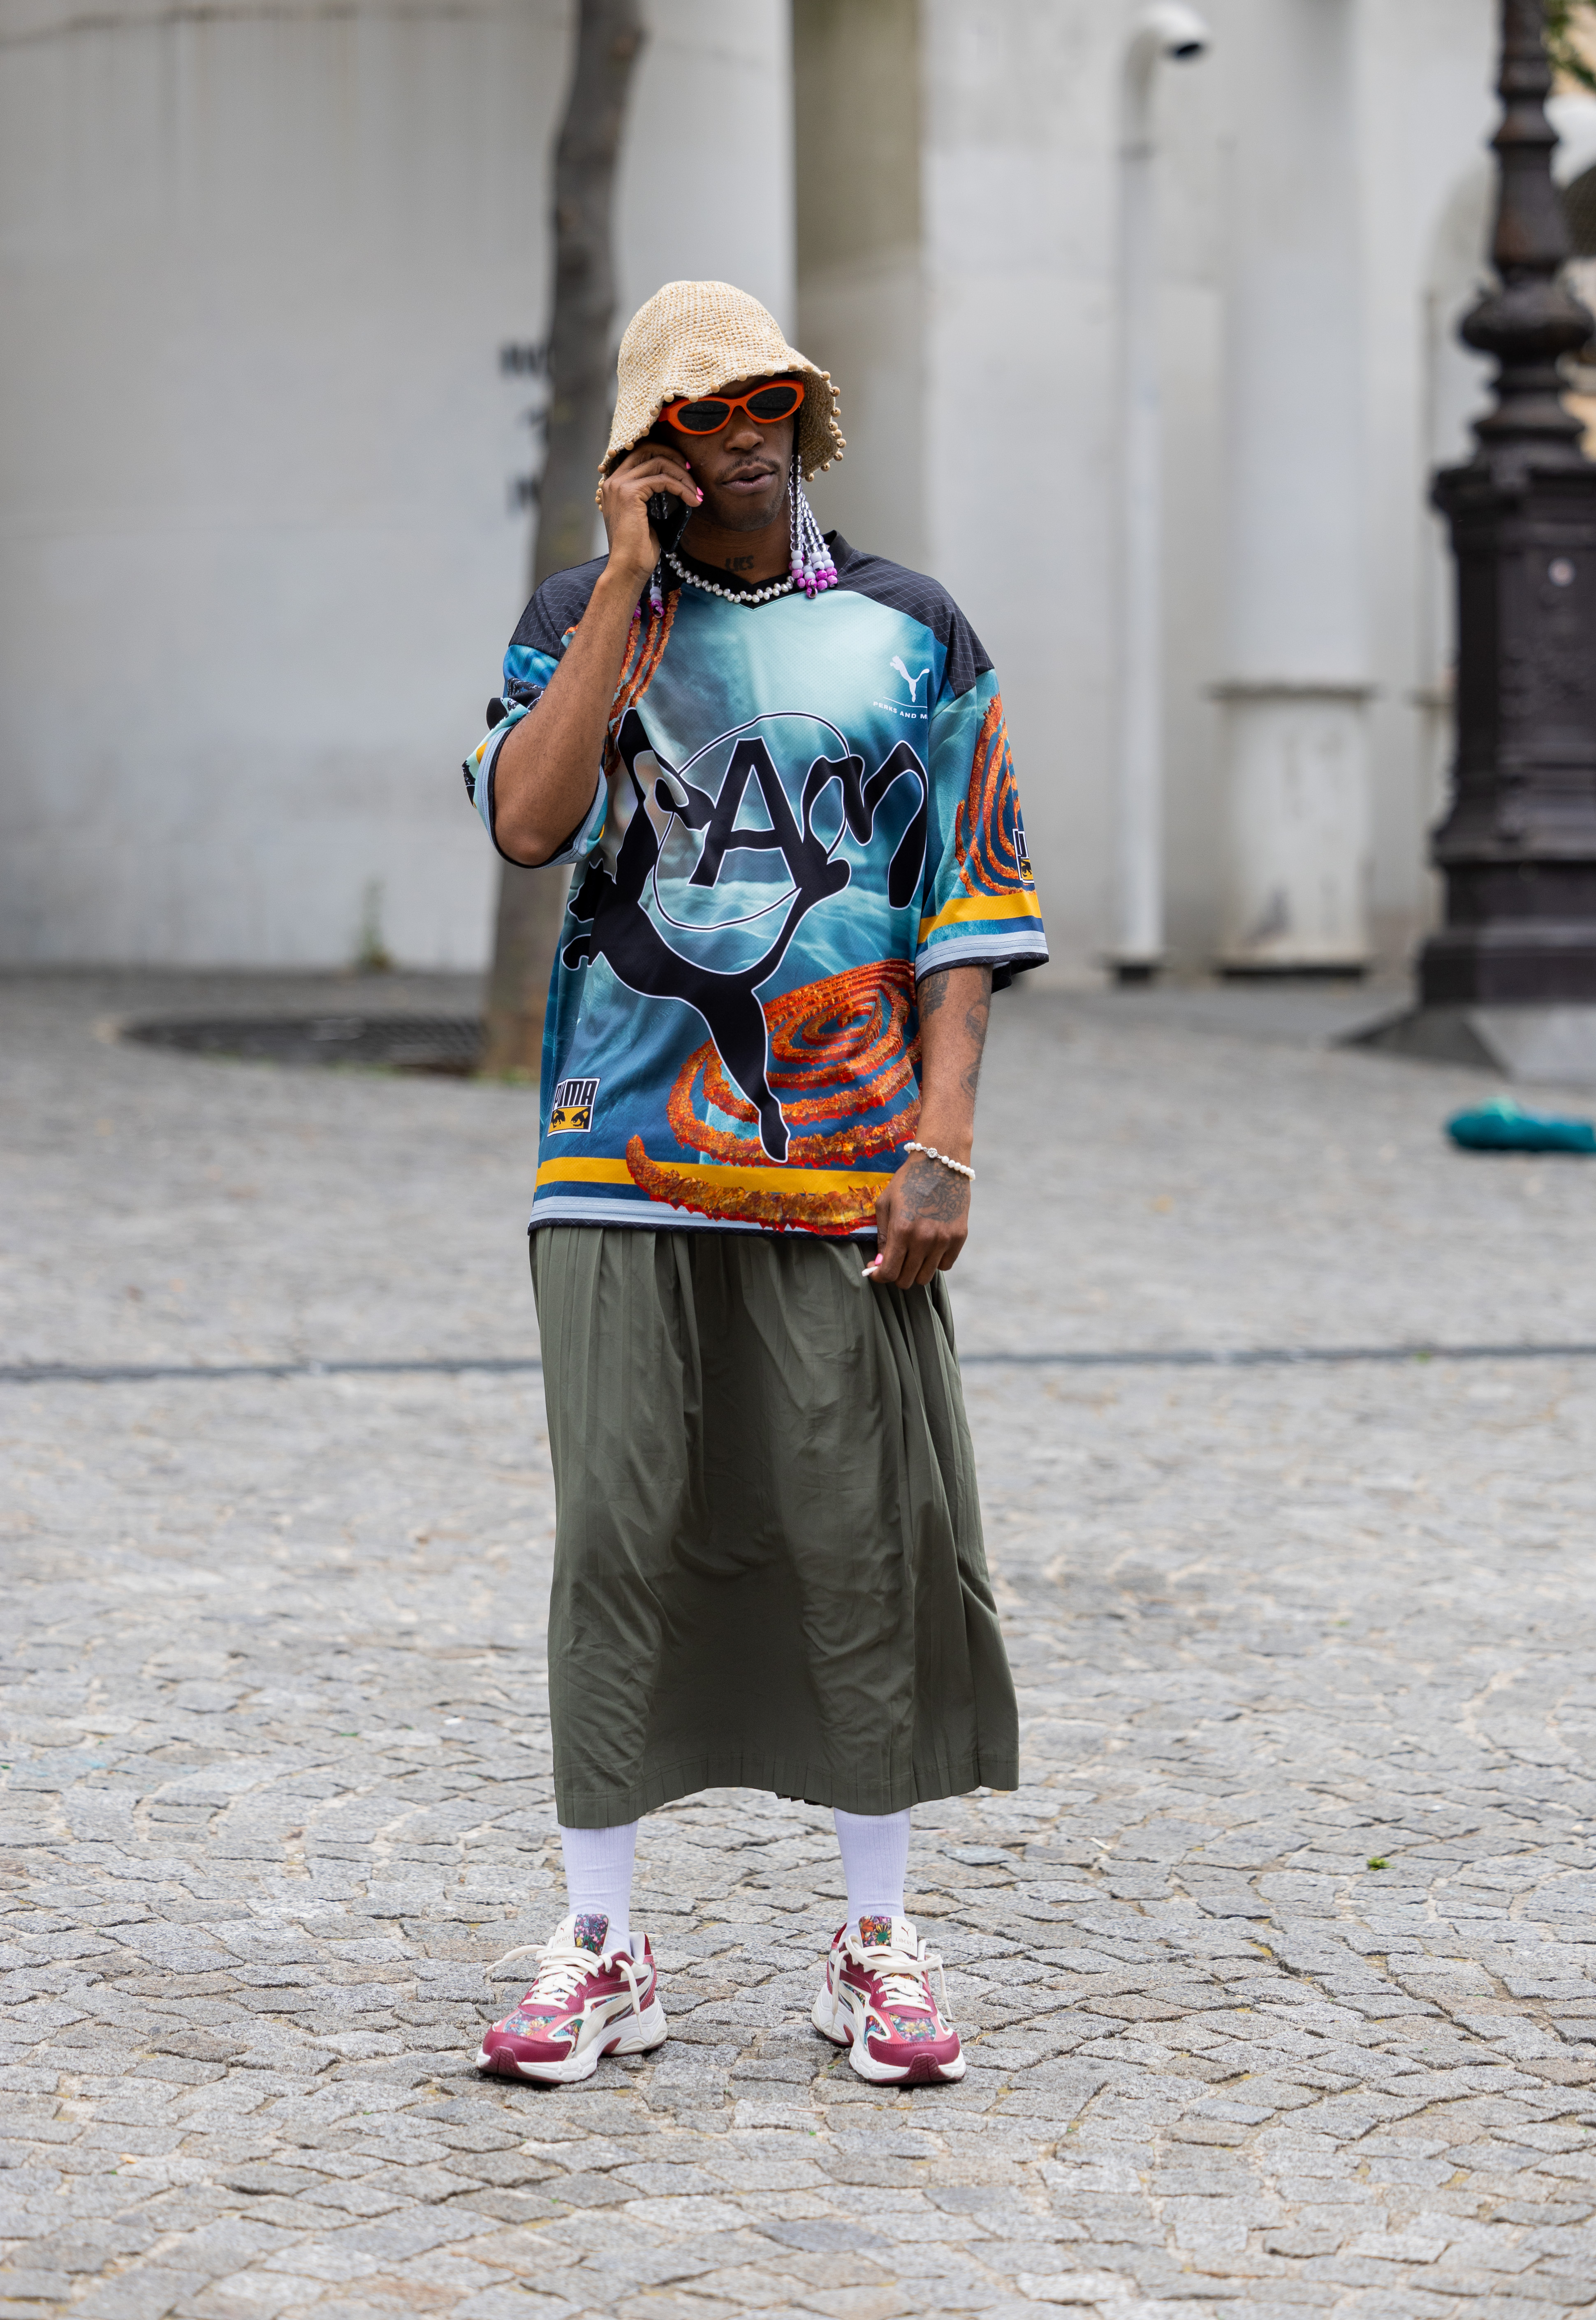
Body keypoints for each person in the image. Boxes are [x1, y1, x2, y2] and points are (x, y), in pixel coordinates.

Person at [463, 280, 1046, 2089]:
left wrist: (944, 1138)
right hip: (615, 1161)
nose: (742, 431)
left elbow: (968, 897)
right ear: (650, 446)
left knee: (862, 1538)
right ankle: (606, 1943)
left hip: (845, 1169)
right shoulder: (583, 621)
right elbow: (528, 821)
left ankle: (874, 1936)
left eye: (767, 400)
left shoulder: (912, 629)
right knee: (615, 1536)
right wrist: (625, 586)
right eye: (701, 411)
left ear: (806, 415)